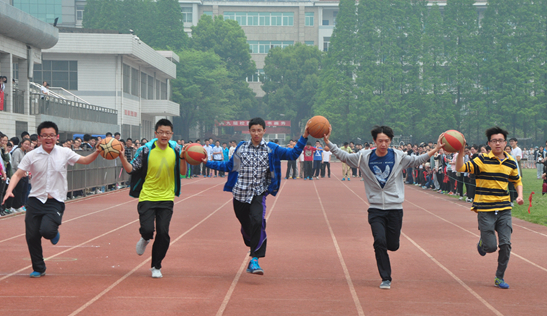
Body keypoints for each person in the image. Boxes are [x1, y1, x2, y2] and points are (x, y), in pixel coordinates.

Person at [325, 125, 444, 290]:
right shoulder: (363, 157)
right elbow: (344, 156)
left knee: (393, 245)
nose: (383, 144)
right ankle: (385, 277)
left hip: (395, 208)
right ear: (374, 141)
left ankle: (388, 248)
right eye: (380, 140)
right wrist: (328, 143)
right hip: (375, 209)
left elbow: (416, 161)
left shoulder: (398, 156)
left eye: (386, 141)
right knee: (379, 241)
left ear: (390, 141)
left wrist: (436, 149)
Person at [205, 118, 309, 275]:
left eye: (259, 130)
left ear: (264, 131)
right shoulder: (241, 148)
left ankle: (254, 259)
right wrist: (208, 163)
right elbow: (228, 166)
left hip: (258, 193)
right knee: (248, 227)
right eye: (253, 130)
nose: (256, 133)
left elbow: (293, 154)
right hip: (240, 194)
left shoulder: (271, 149)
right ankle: (248, 234)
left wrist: (305, 136)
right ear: (249, 131)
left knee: (258, 221)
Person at [2, 121, 102, 278]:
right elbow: (18, 174)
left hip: (55, 200)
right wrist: (9, 190)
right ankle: (39, 267)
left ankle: (53, 233)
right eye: (44, 136)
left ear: (57, 137)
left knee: (47, 231)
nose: (48, 138)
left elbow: (85, 160)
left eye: (51, 135)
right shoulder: (31, 155)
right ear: (40, 138)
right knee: (32, 235)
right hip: (35, 199)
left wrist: (97, 152)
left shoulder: (64, 152)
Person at [118, 119, 188, 278]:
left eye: (167, 132)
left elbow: (183, 172)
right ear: (155, 133)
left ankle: (156, 265)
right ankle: (145, 237)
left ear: (171, 134)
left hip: (167, 197)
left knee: (163, 233)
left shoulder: (176, 149)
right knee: (148, 230)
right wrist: (122, 157)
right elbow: (131, 169)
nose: (164, 135)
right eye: (161, 132)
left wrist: (183, 157)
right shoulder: (145, 150)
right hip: (147, 196)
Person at [455, 127, 523, 289]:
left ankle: (499, 277)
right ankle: (483, 243)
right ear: (489, 143)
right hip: (486, 209)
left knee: (506, 244)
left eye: (500, 140)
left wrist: (519, 195)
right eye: (494, 141)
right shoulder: (481, 160)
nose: (497, 143)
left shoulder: (511, 161)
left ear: (505, 143)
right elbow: (460, 168)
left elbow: (517, 180)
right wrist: (460, 152)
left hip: (504, 209)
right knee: (491, 247)